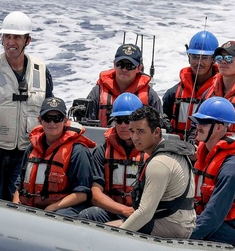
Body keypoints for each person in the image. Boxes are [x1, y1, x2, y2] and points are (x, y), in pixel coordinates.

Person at [0, 11, 53, 201]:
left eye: (17, 37)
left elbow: (49, 112)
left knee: (19, 205)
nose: (11, 42)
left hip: (27, 153)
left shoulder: (41, 71)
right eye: (7, 36)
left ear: (28, 40)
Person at [112, 104, 195, 238]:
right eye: (132, 131)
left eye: (141, 131)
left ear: (156, 132)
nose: (135, 138)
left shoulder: (159, 163)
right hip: (181, 223)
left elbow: (145, 213)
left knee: (105, 229)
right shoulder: (174, 152)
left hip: (170, 227)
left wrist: (117, 237)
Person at [189, 97, 235, 247]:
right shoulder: (205, 157)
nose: (198, 126)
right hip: (208, 221)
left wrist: (187, 237)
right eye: (197, 121)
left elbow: (215, 214)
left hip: (234, 228)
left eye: (204, 122)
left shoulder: (232, 167)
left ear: (219, 127)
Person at [13, 97, 96, 216]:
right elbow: (19, 185)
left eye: (57, 118)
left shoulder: (78, 151)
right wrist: (15, 208)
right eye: (47, 118)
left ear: (65, 121)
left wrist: (52, 208)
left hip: (60, 210)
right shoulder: (31, 148)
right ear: (40, 120)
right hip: (30, 207)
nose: (52, 123)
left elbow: (82, 194)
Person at [78, 93, 149, 224]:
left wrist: (137, 214)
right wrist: (123, 210)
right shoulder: (102, 152)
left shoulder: (151, 152)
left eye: (128, 120)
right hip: (113, 211)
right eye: (119, 120)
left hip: (143, 215)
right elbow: (95, 194)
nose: (123, 125)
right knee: (87, 215)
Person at [83, 42, 162, 126]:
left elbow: (158, 127)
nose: (124, 69)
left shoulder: (150, 96)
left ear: (139, 68)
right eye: (120, 64)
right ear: (114, 64)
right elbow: (86, 123)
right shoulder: (97, 92)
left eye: (130, 66)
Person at [162, 30, 219, 140]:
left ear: (213, 59)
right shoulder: (173, 94)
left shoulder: (220, 94)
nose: (198, 62)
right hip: (175, 149)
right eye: (194, 57)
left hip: (205, 151)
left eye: (204, 57)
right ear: (188, 57)